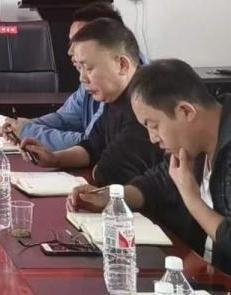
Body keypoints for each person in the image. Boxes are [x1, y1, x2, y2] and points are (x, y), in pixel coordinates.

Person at [69, 60, 230, 271]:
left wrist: (192, 199)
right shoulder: (197, 141)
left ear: (186, 111)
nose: (153, 138)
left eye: (153, 126)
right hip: (201, 271)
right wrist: (112, 198)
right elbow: (159, 181)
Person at [19, 18, 163, 185]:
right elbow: (91, 148)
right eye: (80, 68)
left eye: (89, 68)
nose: (82, 78)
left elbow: (108, 172)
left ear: (122, 65)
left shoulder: (146, 106)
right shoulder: (114, 99)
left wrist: (97, 167)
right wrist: (53, 158)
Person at [2, 2, 124, 150]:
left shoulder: (125, 86)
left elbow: (91, 144)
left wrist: (29, 131)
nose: (70, 51)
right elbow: (64, 119)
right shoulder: (90, 78)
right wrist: (24, 126)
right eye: (71, 41)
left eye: (78, 42)